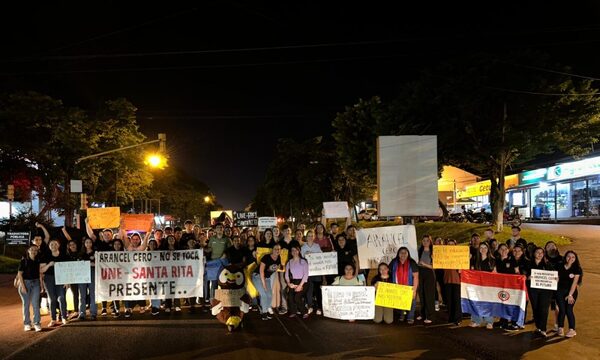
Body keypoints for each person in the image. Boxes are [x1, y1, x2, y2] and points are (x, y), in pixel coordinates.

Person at [40, 239, 69, 326]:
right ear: (49, 246)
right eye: (51, 244)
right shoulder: (45, 256)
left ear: (58, 245)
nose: (53, 246)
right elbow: (41, 270)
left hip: (61, 279)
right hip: (49, 279)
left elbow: (68, 269)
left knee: (61, 298)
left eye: (55, 244)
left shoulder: (64, 255)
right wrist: (49, 265)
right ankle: (53, 319)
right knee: (52, 299)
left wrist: (67, 281)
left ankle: (64, 317)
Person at [389, 247, 419, 324]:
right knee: (400, 301)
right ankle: (402, 314)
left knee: (412, 302)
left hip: (409, 286)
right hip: (397, 286)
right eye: (401, 252)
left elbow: (415, 276)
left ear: (408, 254)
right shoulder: (394, 262)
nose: (403, 254)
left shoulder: (412, 262)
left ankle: (410, 316)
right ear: (398, 254)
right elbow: (389, 272)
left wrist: (414, 290)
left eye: (405, 252)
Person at [16, 246, 43, 332]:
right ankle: (27, 323)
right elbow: (20, 274)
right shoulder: (24, 261)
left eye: (35, 250)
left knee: (35, 304)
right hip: (25, 283)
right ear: (28, 251)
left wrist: (41, 285)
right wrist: (23, 287)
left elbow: (39, 273)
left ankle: (37, 323)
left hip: (36, 283)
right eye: (32, 250)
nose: (34, 251)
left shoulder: (38, 260)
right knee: (26, 304)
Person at [469, 241, 496, 329]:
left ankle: (489, 322)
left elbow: (495, 273)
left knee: (488, 304)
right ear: (479, 249)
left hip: (488, 286)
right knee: (476, 303)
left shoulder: (492, 260)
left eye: (485, 247)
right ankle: (477, 321)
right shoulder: (475, 259)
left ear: (488, 249)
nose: (483, 249)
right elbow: (471, 272)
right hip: (476, 285)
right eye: (481, 248)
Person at [556, 250, 582, 338]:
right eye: (568, 256)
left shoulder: (577, 269)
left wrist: (570, 295)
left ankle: (572, 329)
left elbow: (574, 283)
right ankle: (560, 328)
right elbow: (557, 278)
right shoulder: (559, 266)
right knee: (562, 310)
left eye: (573, 257)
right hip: (560, 291)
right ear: (565, 257)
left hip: (571, 292)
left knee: (568, 310)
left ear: (575, 259)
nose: (570, 258)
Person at [528, 247, 554, 337]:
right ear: (534, 253)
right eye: (537, 252)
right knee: (535, 308)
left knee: (544, 309)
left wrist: (555, 279)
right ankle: (538, 327)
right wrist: (528, 277)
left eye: (541, 253)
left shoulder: (547, 264)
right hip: (533, 290)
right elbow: (524, 275)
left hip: (546, 291)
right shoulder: (529, 264)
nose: (539, 254)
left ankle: (543, 329)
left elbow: (553, 275)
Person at [253, 244, 282, 320]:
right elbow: (261, 271)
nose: (277, 251)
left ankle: (266, 309)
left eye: (279, 249)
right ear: (272, 250)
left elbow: (276, 268)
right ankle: (264, 312)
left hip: (267, 278)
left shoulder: (279, 257)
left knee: (270, 295)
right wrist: (264, 284)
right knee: (264, 294)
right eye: (275, 249)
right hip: (258, 276)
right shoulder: (266, 257)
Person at [495, 243, 519, 330]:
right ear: (498, 251)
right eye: (501, 249)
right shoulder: (497, 260)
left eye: (505, 249)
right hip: (500, 286)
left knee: (508, 303)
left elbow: (517, 273)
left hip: (510, 286)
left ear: (508, 250)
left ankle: (508, 322)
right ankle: (502, 320)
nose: (504, 251)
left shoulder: (512, 260)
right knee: (501, 303)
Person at [301, 230, 324, 315]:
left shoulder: (317, 246)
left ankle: (319, 307)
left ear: (314, 237)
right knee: (309, 289)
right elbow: (303, 258)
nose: (310, 237)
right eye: (308, 236)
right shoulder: (303, 247)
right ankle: (310, 306)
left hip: (317, 271)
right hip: (308, 272)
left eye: (311, 236)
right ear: (306, 237)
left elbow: (322, 257)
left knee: (317, 289)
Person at [284, 245, 309, 319]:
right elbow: (286, 275)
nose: (294, 252)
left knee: (297, 297)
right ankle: (293, 311)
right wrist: (289, 284)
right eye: (292, 250)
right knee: (290, 296)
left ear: (299, 251)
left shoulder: (303, 261)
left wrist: (300, 286)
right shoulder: (289, 262)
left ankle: (304, 312)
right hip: (294, 282)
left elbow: (306, 275)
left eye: (296, 250)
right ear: (291, 252)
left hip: (303, 282)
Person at [442, 240, 461, 325]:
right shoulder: (443, 255)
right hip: (447, 279)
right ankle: (451, 317)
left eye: (452, 244)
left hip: (457, 280)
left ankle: (457, 318)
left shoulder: (459, 255)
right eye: (448, 244)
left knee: (456, 300)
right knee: (449, 300)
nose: (450, 245)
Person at [417, 235, 435, 324]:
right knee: (421, 294)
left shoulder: (433, 252)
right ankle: (423, 314)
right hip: (420, 272)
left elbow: (435, 266)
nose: (425, 242)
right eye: (424, 240)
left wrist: (424, 264)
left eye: (427, 240)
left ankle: (429, 315)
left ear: (430, 241)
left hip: (429, 273)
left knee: (429, 295)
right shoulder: (419, 251)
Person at [544, 241, 562, 331]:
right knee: (545, 306)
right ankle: (541, 325)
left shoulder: (561, 259)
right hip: (546, 286)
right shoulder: (543, 259)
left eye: (552, 246)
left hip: (558, 286)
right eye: (548, 246)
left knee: (557, 307)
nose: (551, 247)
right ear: (545, 249)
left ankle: (558, 324)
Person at [78, 238, 97, 320]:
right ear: (84, 244)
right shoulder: (80, 253)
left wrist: (88, 264)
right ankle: (82, 313)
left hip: (92, 273)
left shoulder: (96, 253)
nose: (88, 244)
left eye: (90, 242)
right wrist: (89, 264)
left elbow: (98, 264)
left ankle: (93, 313)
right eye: (86, 242)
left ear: (92, 243)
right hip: (82, 275)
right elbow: (78, 264)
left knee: (93, 294)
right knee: (82, 295)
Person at [65, 240, 80, 319]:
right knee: (75, 294)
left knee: (83, 294)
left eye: (74, 243)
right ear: (69, 247)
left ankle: (83, 309)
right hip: (72, 278)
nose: (72, 246)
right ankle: (76, 311)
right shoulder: (67, 256)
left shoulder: (80, 254)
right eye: (70, 245)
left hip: (82, 277)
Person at [433, 236, 446, 311]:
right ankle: (436, 302)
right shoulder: (433, 250)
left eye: (440, 240)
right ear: (434, 242)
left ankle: (444, 301)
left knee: (443, 287)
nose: (440, 242)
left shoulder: (445, 250)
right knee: (435, 287)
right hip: (435, 271)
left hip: (442, 270)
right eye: (438, 241)